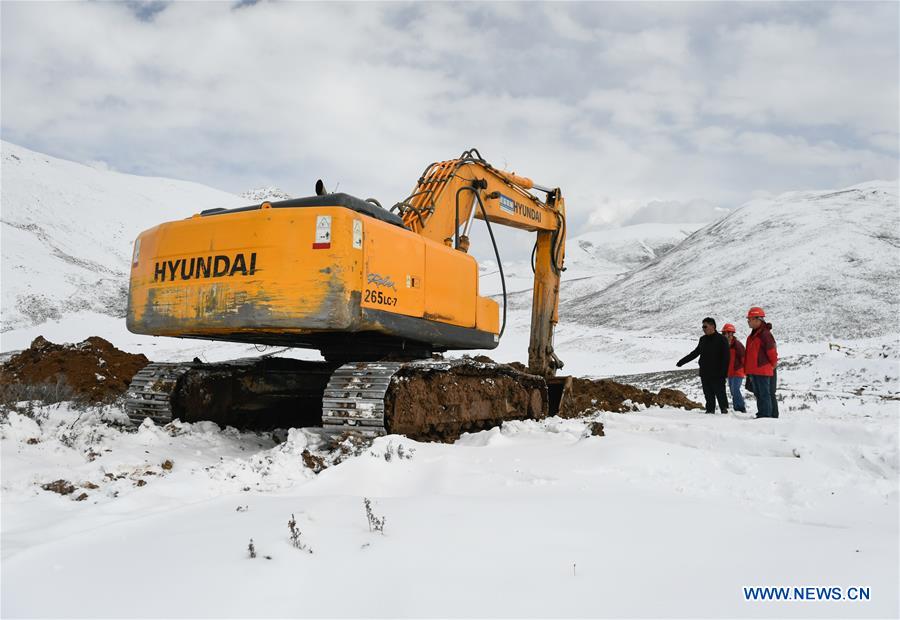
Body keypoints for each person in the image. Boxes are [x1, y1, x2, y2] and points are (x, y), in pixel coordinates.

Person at [676, 317, 730, 413]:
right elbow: (695, 353)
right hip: (705, 373)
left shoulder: (722, 339)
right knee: (708, 395)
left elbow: (726, 358)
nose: (703, 329)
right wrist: (682, 362)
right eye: (702, 327)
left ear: (713, 326)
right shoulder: (703, 339)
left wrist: (724, 373)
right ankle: (709, 412)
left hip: (718, 374)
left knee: (720, 394)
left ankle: (725, 412)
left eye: (705, 326)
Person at [744, 307, 778, 418]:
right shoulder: (754, 335)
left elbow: (772, 352)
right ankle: (763, 414)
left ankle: (766, 416)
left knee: (764, 394)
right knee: (759, 394)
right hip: (755, 370)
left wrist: (772, 365)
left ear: (757, 319)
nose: (748, 321)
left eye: (750, 319)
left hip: (762, 370)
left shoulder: (765, 334)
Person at [722, 323, 746, 412]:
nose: (725, 335)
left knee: (735, 390)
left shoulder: (737, 345)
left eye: (727, 333)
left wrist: (746, 371)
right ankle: (737, 408)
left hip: (738, 371)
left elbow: (744, 358)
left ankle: (741, 408)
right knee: (733, 391)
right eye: (724, 333)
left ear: (731, 334)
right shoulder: (724, 345)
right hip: (730, 373)